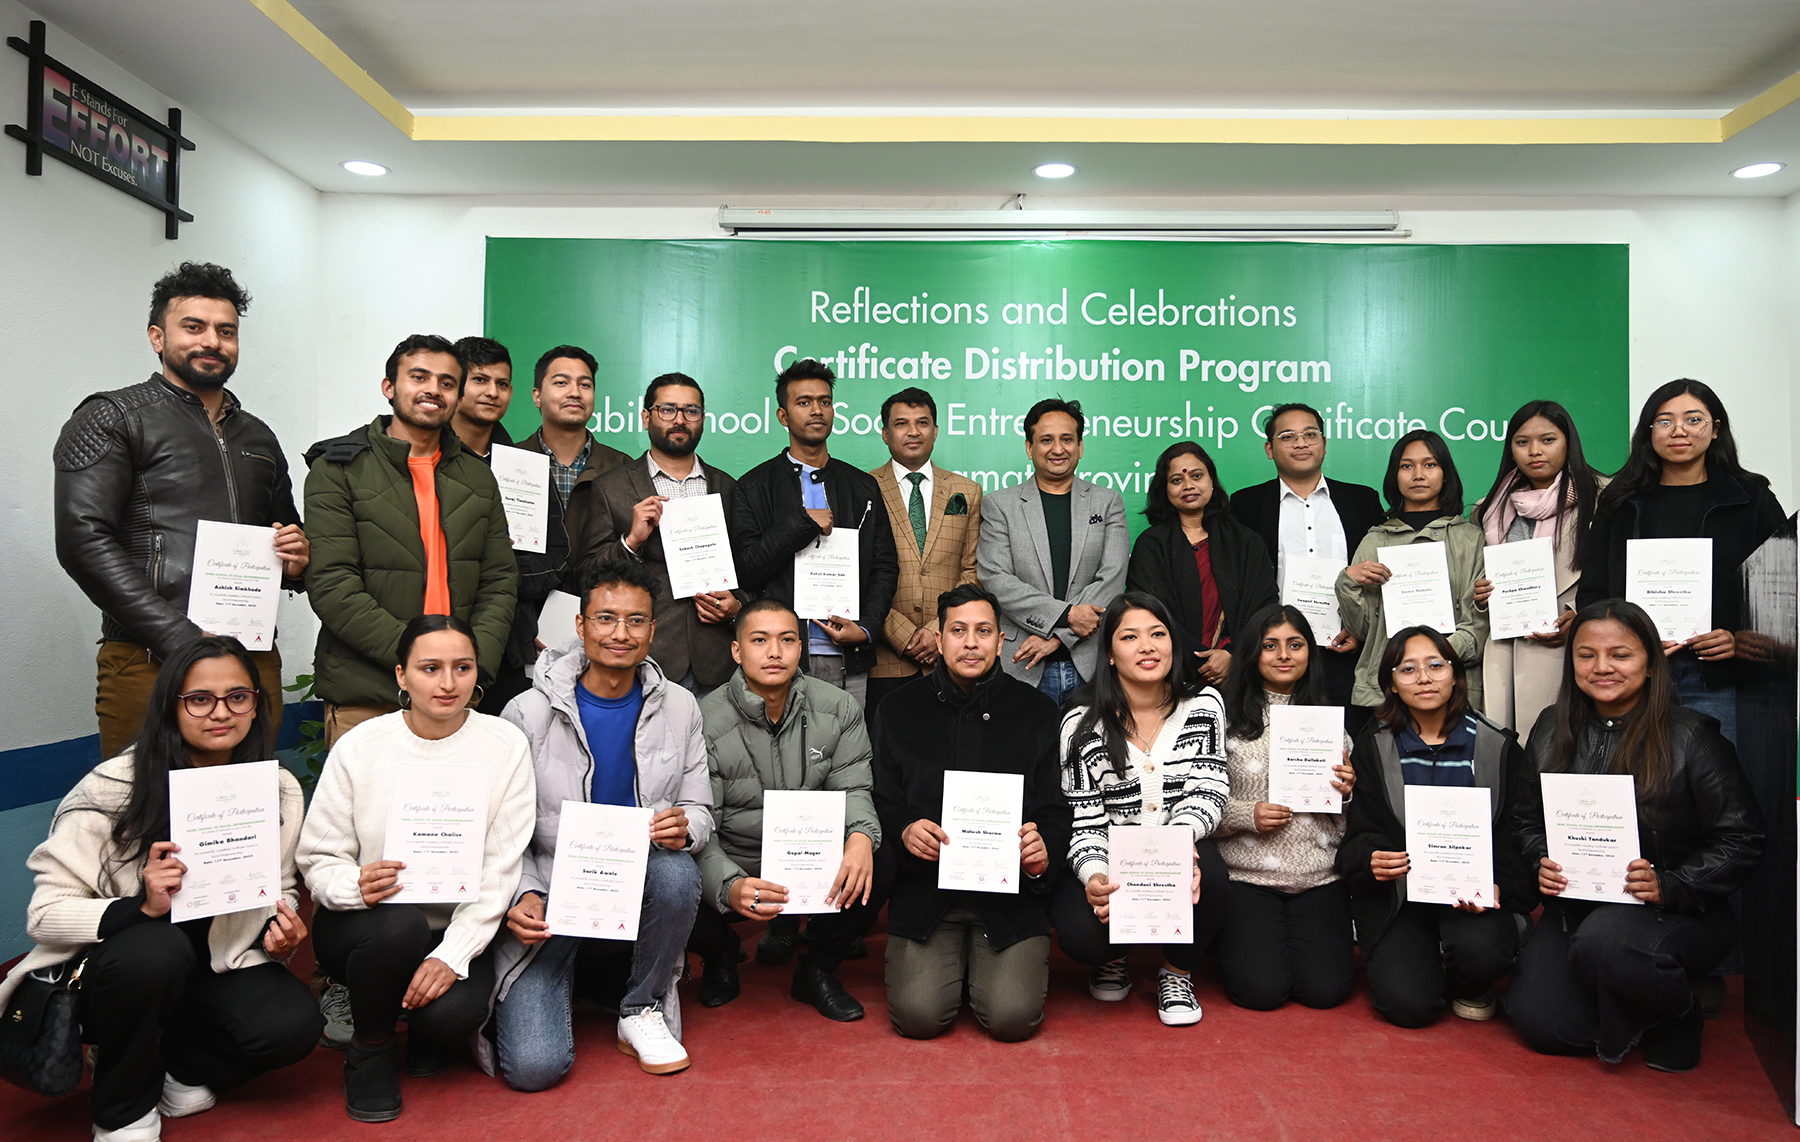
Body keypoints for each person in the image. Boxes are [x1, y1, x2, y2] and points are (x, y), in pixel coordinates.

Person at [0, 637, 319, 1142]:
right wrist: (141, 906)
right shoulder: (114, 786)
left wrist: (279, 933)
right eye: (200, 699)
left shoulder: (275, 788)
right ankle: (121, 1108)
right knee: (156, 948)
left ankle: (175, 1066)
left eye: (238, 697)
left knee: (293, 1024)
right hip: (113, 976)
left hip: (214, 965)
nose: (221, 713)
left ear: (257, 704)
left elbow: (277, 886)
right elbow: (45, 915)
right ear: (170, 705)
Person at [54, 262, 309, 758]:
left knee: (243, 797)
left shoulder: (259, 436)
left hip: (250, 658)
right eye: (194, 327)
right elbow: (82, 541)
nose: (212, 341)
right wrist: (181, 637)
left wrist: (297, 560)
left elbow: (284, 532)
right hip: (148, 656)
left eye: (226, 331)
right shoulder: (113, 416)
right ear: (157, 337)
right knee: (145, 797)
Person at [1505, 600, 1764, 1072]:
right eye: (1586, 655)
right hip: (1578, 906)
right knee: (1547, 1025)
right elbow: (1524, 820)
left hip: (1677, 910)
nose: (1602, 667)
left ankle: (1678, 1012)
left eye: (1620, 655)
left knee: (1606, 942)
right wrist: (1542, 858)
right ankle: (1633, 994)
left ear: (1650, 663)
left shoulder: (1692, 736)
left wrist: (1672, 884)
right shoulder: (1550, 727)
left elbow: (1742, 838)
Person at [298, 614, 536, 1122]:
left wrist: (452, 955)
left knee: (452, 1015)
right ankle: (372, 1048)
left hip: (452, 924)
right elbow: (318, 857)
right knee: (398, 927)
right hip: (367, 923)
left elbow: (500, 869)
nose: (448, 683)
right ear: (402, 676)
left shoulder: (504, 744)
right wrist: (353, 885)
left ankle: (426, 1029)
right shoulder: (362, 746)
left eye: (462, 667)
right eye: (430, 668)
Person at [489, 559, 712, 1085]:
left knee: (677, 873)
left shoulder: (680, 706)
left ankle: (640, 1007)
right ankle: (570, 984)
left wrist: (686, 827)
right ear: (581, 624)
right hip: (552, 894)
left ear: (652, 630)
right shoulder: (525, 713)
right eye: (606, 618)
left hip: (636, 882)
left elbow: (701, 809)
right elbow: (500, 833)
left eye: (636, 621)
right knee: (534, 1068)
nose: (620, 634)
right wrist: (522, 892)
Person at [873, 584, 1072, 1042]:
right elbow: (882, 796)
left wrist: (1042, 850)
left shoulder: (1038, 712)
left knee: (1012, 1019)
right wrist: (904, 829)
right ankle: (951, 968)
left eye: (983, 631)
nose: (970, 643)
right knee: (919, 1017)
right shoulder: (897, 709)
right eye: (957, 631)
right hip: (927, 892)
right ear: (939, 639)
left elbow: (1054, 808)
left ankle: (980, 970)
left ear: (999, 641)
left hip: (1009, 897)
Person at [303, 334, 519, 746]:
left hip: (457, 698)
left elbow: (500, 581)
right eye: (419, 377)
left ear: (457, 397)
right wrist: (421, 660)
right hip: (367, 696)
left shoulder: (477, 476)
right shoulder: (337, 469)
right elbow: (332, 585)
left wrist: (466, 667)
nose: (433, 389)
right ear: (389, 387)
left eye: (447, 382)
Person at [689, 598, 885, 1020]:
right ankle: (721, 951)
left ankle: (817, 968)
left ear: (801, 647)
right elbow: (702, 825)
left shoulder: (838, 707)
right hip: (738, 856)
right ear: (737, 650)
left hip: (814, 858)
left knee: (878, 852)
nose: (775, 652)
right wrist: (729, 886)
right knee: (673, 872)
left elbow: (854, 788)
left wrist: (859, 838)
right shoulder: (703, 719)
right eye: (759, 640)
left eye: (787, 640)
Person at [1337, 626, 1537, 1028]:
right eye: (1408, 669)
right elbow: (1358, 833)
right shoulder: (1374, 746)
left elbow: (1519, 833)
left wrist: (1499, 884)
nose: (1424, 678)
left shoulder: (1497, 746)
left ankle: (1469, 983)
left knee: (1482, 952)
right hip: (1401, 899)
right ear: (1392, 685)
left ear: (1456, 675)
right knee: (1408, 1006)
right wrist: (1371, 858)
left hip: (1472, 898)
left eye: (1435, 666)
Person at [1051, 592, 1228, 1027]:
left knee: (1211, 876)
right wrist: (1095, 875)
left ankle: (1177, 973)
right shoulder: (1081, 724)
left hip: (1180, 844)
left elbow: (1210, 789)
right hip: (1115, 857)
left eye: (1158, 634)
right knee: (1080, 931)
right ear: (1110, 654)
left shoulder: (1204, 705)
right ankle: (1114, 956)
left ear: (1173, 644)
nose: (1147, 646)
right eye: (1130, 637)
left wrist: (1178, 848)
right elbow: (1084, 821)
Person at [1577, 379, 1785, 745]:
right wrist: (1621, 643)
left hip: (1719, 680)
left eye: (1693, 419)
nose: (1678, 430)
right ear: (1649, 432)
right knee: (1636, 776)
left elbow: (1782, 596)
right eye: (1665, 421)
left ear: (1715, 429)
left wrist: (1738, 639)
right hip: (1634, 677)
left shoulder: (1752, 500)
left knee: (1717, 776)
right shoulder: (1620, 502)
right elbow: (1593, 591)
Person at [729, 357, 898, 708]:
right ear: (783, 415)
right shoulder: (753, 486)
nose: (817, 410)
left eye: (825, 401)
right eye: (804, 402)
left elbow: (884, 566)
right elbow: (747, 569)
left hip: (848, 655)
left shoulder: (862, 486)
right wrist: (801, 523)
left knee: (846, 743)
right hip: (780, 655)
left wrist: (866, 628)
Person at [1213, 603, 1357, 1011]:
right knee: (1260, 991)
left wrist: (1347, 792)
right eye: (1270, 645)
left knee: (1325, 992)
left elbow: (1356, 820)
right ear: (1252, 653)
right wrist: (1247, 815)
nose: (1283, 655)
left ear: (1310, 652)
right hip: (1246, 876)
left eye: (1295, 645)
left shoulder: (1330, 724)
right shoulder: (1224, 721)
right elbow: (1196, 805)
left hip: (1320, 876)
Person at [578, 372, 743, 698]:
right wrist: (632, 541)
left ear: (703, 419)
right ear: (646, 417)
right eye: (667, 410)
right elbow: (585, 576)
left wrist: (738, 607)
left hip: (718, 661)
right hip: (645, 658)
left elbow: (751, 569)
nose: (680, 420)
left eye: (691, 411)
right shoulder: (611, 488)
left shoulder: (729, 488)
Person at [1230, 402, 1386, 717]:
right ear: (1269, 449)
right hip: (1274, 657)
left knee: (1349, 741)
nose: (1300, 443)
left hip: (1346, 652)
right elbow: (1238, 582)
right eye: (1287, 436)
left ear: (1324, 444)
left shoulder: (1362, 500)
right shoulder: (1245, 505)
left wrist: (1360, 628)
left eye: (1310, 435)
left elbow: (1381, 573)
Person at [976, 398, 1128, 707]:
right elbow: (995, 578)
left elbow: (1112, 578)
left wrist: (1059, 637)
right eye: (1046, 440)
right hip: (1023, 661)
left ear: (1080, 447)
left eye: (1067, 439)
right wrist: (1067, 615)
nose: (1058, 449)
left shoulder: (1107, 502)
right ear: (1029, 448)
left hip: (1091, 661)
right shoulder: (999, 505)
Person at [1471, 400, 1606, 734]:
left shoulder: (1604, 499)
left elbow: (1617, 574)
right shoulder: (1488, 509)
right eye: (1522, 442)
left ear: (1568, 442)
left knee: (1563, 745)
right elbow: (1475, 580)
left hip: (1570, 648)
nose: (1534, 451)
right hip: (1505, 653)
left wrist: (1581, 615)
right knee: (1509, 751)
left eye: (1548, 440)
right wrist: (1480, 594)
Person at [449, 336, 566, 716]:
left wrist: (501, 573)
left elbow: (556, 556)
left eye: (502, 383)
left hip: (510, 648)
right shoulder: (425, 459)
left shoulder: (527, 466)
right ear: (454, 385)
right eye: (480, 380)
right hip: (437, 638)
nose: (492, 392)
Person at [1335, 430, 1489, 714]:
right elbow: (1364, 632)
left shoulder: (1472, 539)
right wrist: (1347, 584)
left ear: (1446, 474)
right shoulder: (1375, 540)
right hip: (1386, 692)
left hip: (1455, 689)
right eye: (1407, 466)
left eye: (1430, 465)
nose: (1418, 475)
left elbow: (1477, 628)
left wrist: (1427, 660)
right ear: (1394, 476)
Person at [865, 387, 984, 714]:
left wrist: (938, 630)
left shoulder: (967, 491)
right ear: (885, 434)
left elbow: (972, 571)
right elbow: (858, 574)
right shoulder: (863, 487)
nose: (914, 431)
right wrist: (902, 635)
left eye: (923, 422)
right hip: (885, 660)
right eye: (901, 423)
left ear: (936, 430)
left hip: (949, 655)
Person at [1126, 441, 1278, 688]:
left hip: (1238, 673)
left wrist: (1232, 654)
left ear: (1211, 481)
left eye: (1197, 476)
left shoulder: (1246, 542)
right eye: (1176, 480)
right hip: (1171, 674)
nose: (1188, 485)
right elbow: (1149, 611)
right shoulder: (1152, 545)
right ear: (1165, 489)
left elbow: (1265, 605)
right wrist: (1201, 660)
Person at [515, 345, 629, 590]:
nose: (575, 393)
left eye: (585, 385)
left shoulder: (623, 468)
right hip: (525, 600)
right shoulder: (510, 462)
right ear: (537, 396)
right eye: (561, 383)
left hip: (601, 602)